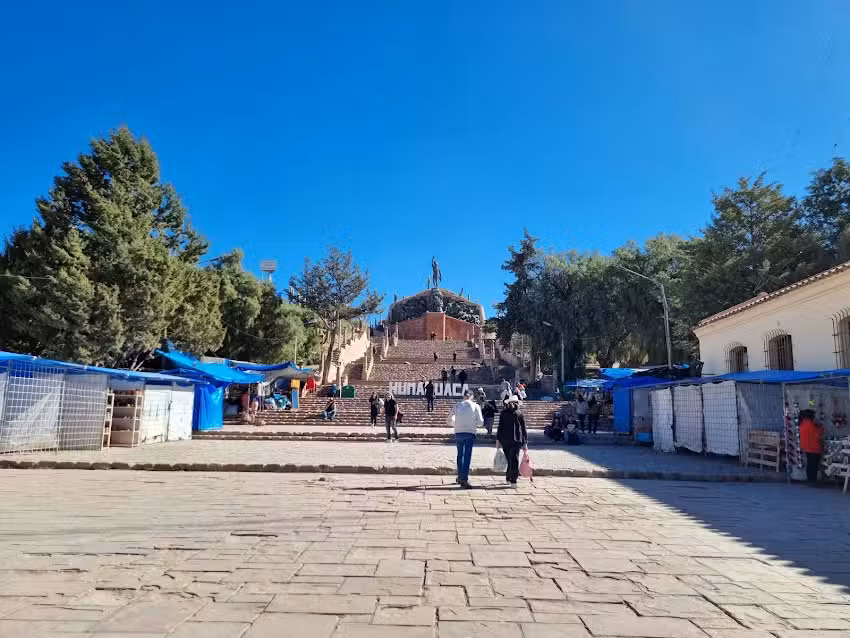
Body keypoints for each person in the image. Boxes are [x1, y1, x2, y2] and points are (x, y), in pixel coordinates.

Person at [447, 389, 483, 488]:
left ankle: (459, 476)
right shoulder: (476, 406)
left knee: (460, 455)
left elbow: (449, 420)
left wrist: (456, 424)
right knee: (467, 456)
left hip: (458, 432)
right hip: (469, 432)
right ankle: (464, 479)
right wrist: (474, 423)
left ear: (463, 396)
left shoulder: (457, 405)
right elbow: (481, 422)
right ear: (472, 396)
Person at [497, 395, 527, 488]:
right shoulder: (504, 413)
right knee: (509, 459)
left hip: (516, 440)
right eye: (511, 403)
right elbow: (500, 427)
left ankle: (513, 479)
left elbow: (523, 428)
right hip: (506, 440)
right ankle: (509, 476)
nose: (513, 404)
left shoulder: (519, 414)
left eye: (514, 403)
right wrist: (498, 440)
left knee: (514, 460)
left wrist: (525, 442)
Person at [799, 409, 824, 483]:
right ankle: (812, 479)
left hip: (806, 447)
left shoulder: (802, 424)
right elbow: (819, 434)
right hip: (814, 448)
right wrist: (820, 427)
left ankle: (810, 478)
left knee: (810, 464)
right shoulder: (812, 425)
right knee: (814, 465)